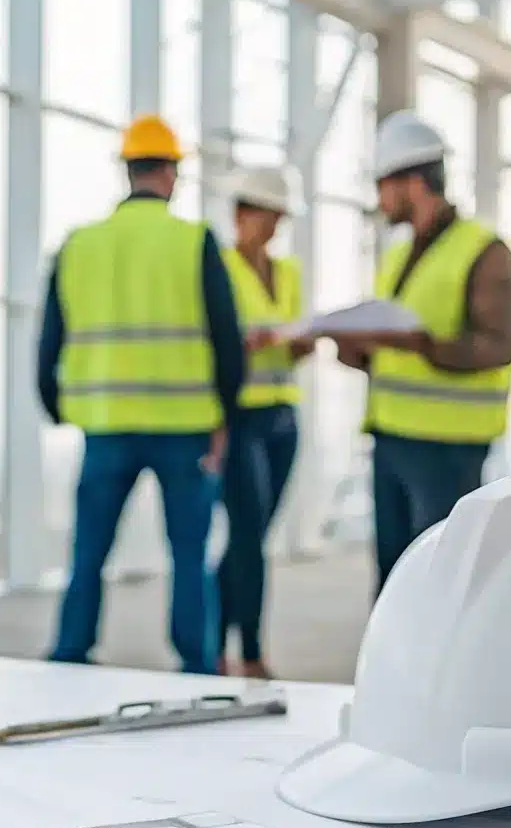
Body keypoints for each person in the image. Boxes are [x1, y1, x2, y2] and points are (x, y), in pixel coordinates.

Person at [39, 114, 245, 675]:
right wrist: (225, 416)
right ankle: (196, 664)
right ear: (171, 173)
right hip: (185, 427)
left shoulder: (80, 244)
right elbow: (227, 339)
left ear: (128, 170)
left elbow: (50, 336)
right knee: (189, 555)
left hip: (105, 425)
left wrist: (57, 405)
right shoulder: (194, 242)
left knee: (88, 553)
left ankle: (70, 654)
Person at [338, 110, 511, 595]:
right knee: (394, 585)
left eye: (383, 185)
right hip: (392, 438)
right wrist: (357, 348)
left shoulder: (486, 252)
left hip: (449, 450)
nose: (379, 199)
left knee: (438, 587)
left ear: (413, 183)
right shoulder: (399, 256)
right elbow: (388, 346)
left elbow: (496, 346)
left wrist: (422, 345)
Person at [215, 165, 314, 678]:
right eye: (266, 215)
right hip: (241, 417)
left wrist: (299, 341)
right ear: (241, 214)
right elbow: (214, 342)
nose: (273, 226)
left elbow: (297, 343)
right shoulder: (220, 269)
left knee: (249, 539)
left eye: (278, 217)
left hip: (282, 418)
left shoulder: (289, 273)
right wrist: (246, 345)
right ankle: (248, 653)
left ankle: (215, 639)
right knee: (248, 539)